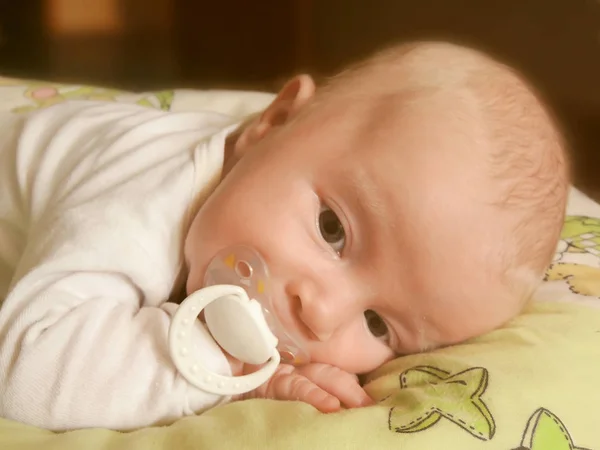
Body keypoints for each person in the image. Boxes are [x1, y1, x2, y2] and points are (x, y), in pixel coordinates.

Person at [0, 41, 569, 431]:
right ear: (269, 125)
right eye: (332, 230)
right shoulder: (143, 197)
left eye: (378, 325)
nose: (320, 313)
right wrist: (224, 373)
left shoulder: (290, 167)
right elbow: (29, 366)